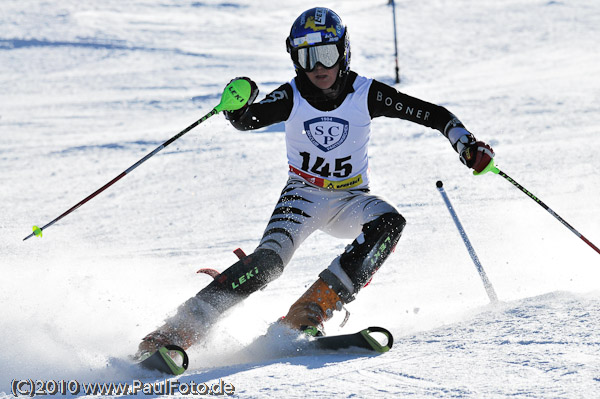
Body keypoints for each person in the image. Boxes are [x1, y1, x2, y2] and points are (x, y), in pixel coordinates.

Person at [136, 7, 493, 356]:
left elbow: (434, 114)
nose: (319, 67)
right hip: (302, 197)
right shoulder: (291, 96)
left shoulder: (366, 93)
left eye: (327, 53)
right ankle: (175, 330)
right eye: (308, 58)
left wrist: (465, 143)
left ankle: (309, 311)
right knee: (267, 264)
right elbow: (248, 120)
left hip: (351, 198)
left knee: (389, 223)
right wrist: (237, 106)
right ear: (295, 59)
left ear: (344, 52)